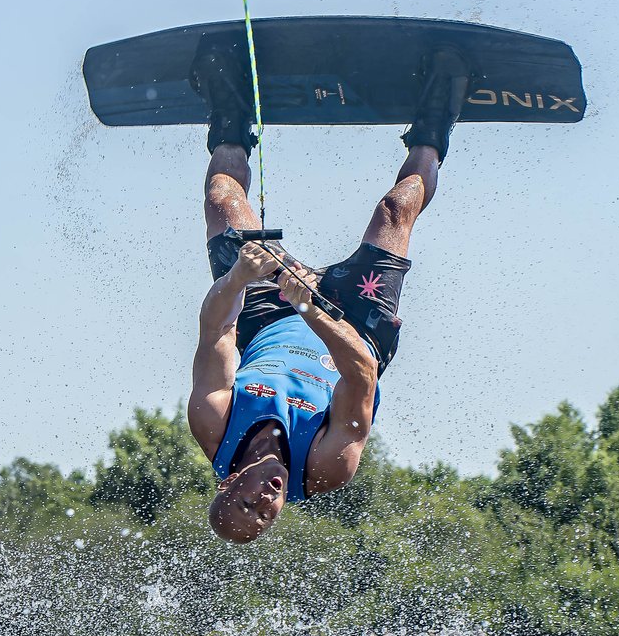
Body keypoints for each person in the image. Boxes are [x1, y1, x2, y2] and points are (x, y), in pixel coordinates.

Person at [186, 42, 468, 542]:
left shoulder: (213, 423)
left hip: (266, 320)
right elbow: (361, 373)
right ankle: (437, 116)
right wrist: (310, 306)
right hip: (355, 329)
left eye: (252, 501)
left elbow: (216, 331)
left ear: (229, 481)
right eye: (269, 513)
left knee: (222, 202)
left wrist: (238, 278)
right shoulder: (326, 468)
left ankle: (228, 112)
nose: (269, 499)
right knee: (394, 212)